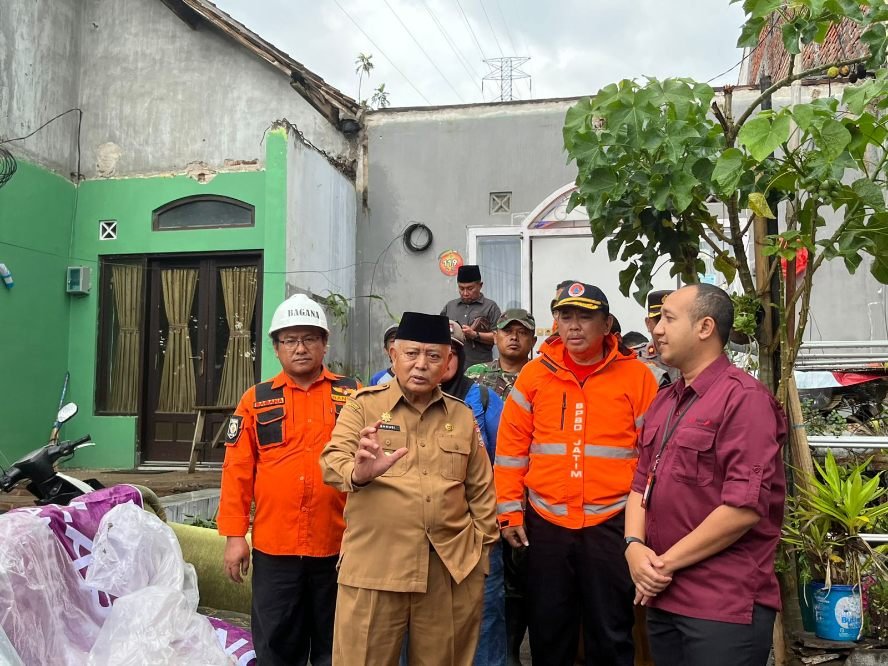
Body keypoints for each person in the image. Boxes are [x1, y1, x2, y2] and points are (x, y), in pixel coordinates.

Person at [320, 311, 499, 666]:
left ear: (448, 361)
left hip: (448, 572)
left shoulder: (461, 416)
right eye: (411, 354)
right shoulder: (363, 406)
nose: (421, 364)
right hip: (376, 567)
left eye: (433, 356)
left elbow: (482, 492)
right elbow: (331, 461)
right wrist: (359, 473)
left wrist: (479, 554)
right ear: (393, 355)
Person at [495, 282, 658, 666]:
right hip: (546, 522)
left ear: (606, 324)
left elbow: (652, 458)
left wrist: (645, 523)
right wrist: (509, 512)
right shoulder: (534, 375)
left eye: (585, 316)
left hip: (611, 521)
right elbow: (511, 450)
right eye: (565, 316)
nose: (574, 326)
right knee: (549, 631)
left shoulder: (638, 377)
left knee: (612, 630)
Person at [624, 284, 787, 666]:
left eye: (668, 318)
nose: (656, 329)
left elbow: (743, 509)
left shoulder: (744, 400)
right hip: (663, 596)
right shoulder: (665, 400)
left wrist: (662, 564)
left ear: (705, 327)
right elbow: (640, 484)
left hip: (721, 604)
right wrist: (633, 546)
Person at [217, 293, 359, 666]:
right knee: (278, 649)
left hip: (340, 548)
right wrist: (235, 538)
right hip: (275, 550)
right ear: (276, 347)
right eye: (290, 340)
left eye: (310, 338)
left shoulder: (352, 396)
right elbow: (236, 473)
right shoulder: (255, 400)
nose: (300, 348)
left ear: (324, 344)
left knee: (339, 648)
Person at [466, 308, 537, 666]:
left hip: (531, 492)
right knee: (493, 577)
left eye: (521, 332)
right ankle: (503, 651)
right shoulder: (475, 379)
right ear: (495, 337)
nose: (513, 337)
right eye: (506, 331)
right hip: (487, 491)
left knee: (525, 575)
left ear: (533, 341)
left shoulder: (541, 377)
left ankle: (516, 647)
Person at [442, 320, 506, 666]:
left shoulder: (482, 397)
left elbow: (505, 463)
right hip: (421, 536)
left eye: (451, 352)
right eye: (434, 352)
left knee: (485, 616)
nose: (441, 360)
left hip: (477, 532)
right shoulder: (397, 399)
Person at [441, 264, 501, 367]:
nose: (465, 293)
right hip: (452, 367)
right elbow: (439, 332)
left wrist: (475, 335)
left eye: (470, 288)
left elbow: (500, 337)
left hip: (480, 368)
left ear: (480, 285)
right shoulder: (450, 306)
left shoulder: (491, 307)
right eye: (461, 288)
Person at [632, 289, 680, 388]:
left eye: (671, 319)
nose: (663, 327)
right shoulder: (633, 359)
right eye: (658, 320)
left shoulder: (695, 358)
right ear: (648, 324)